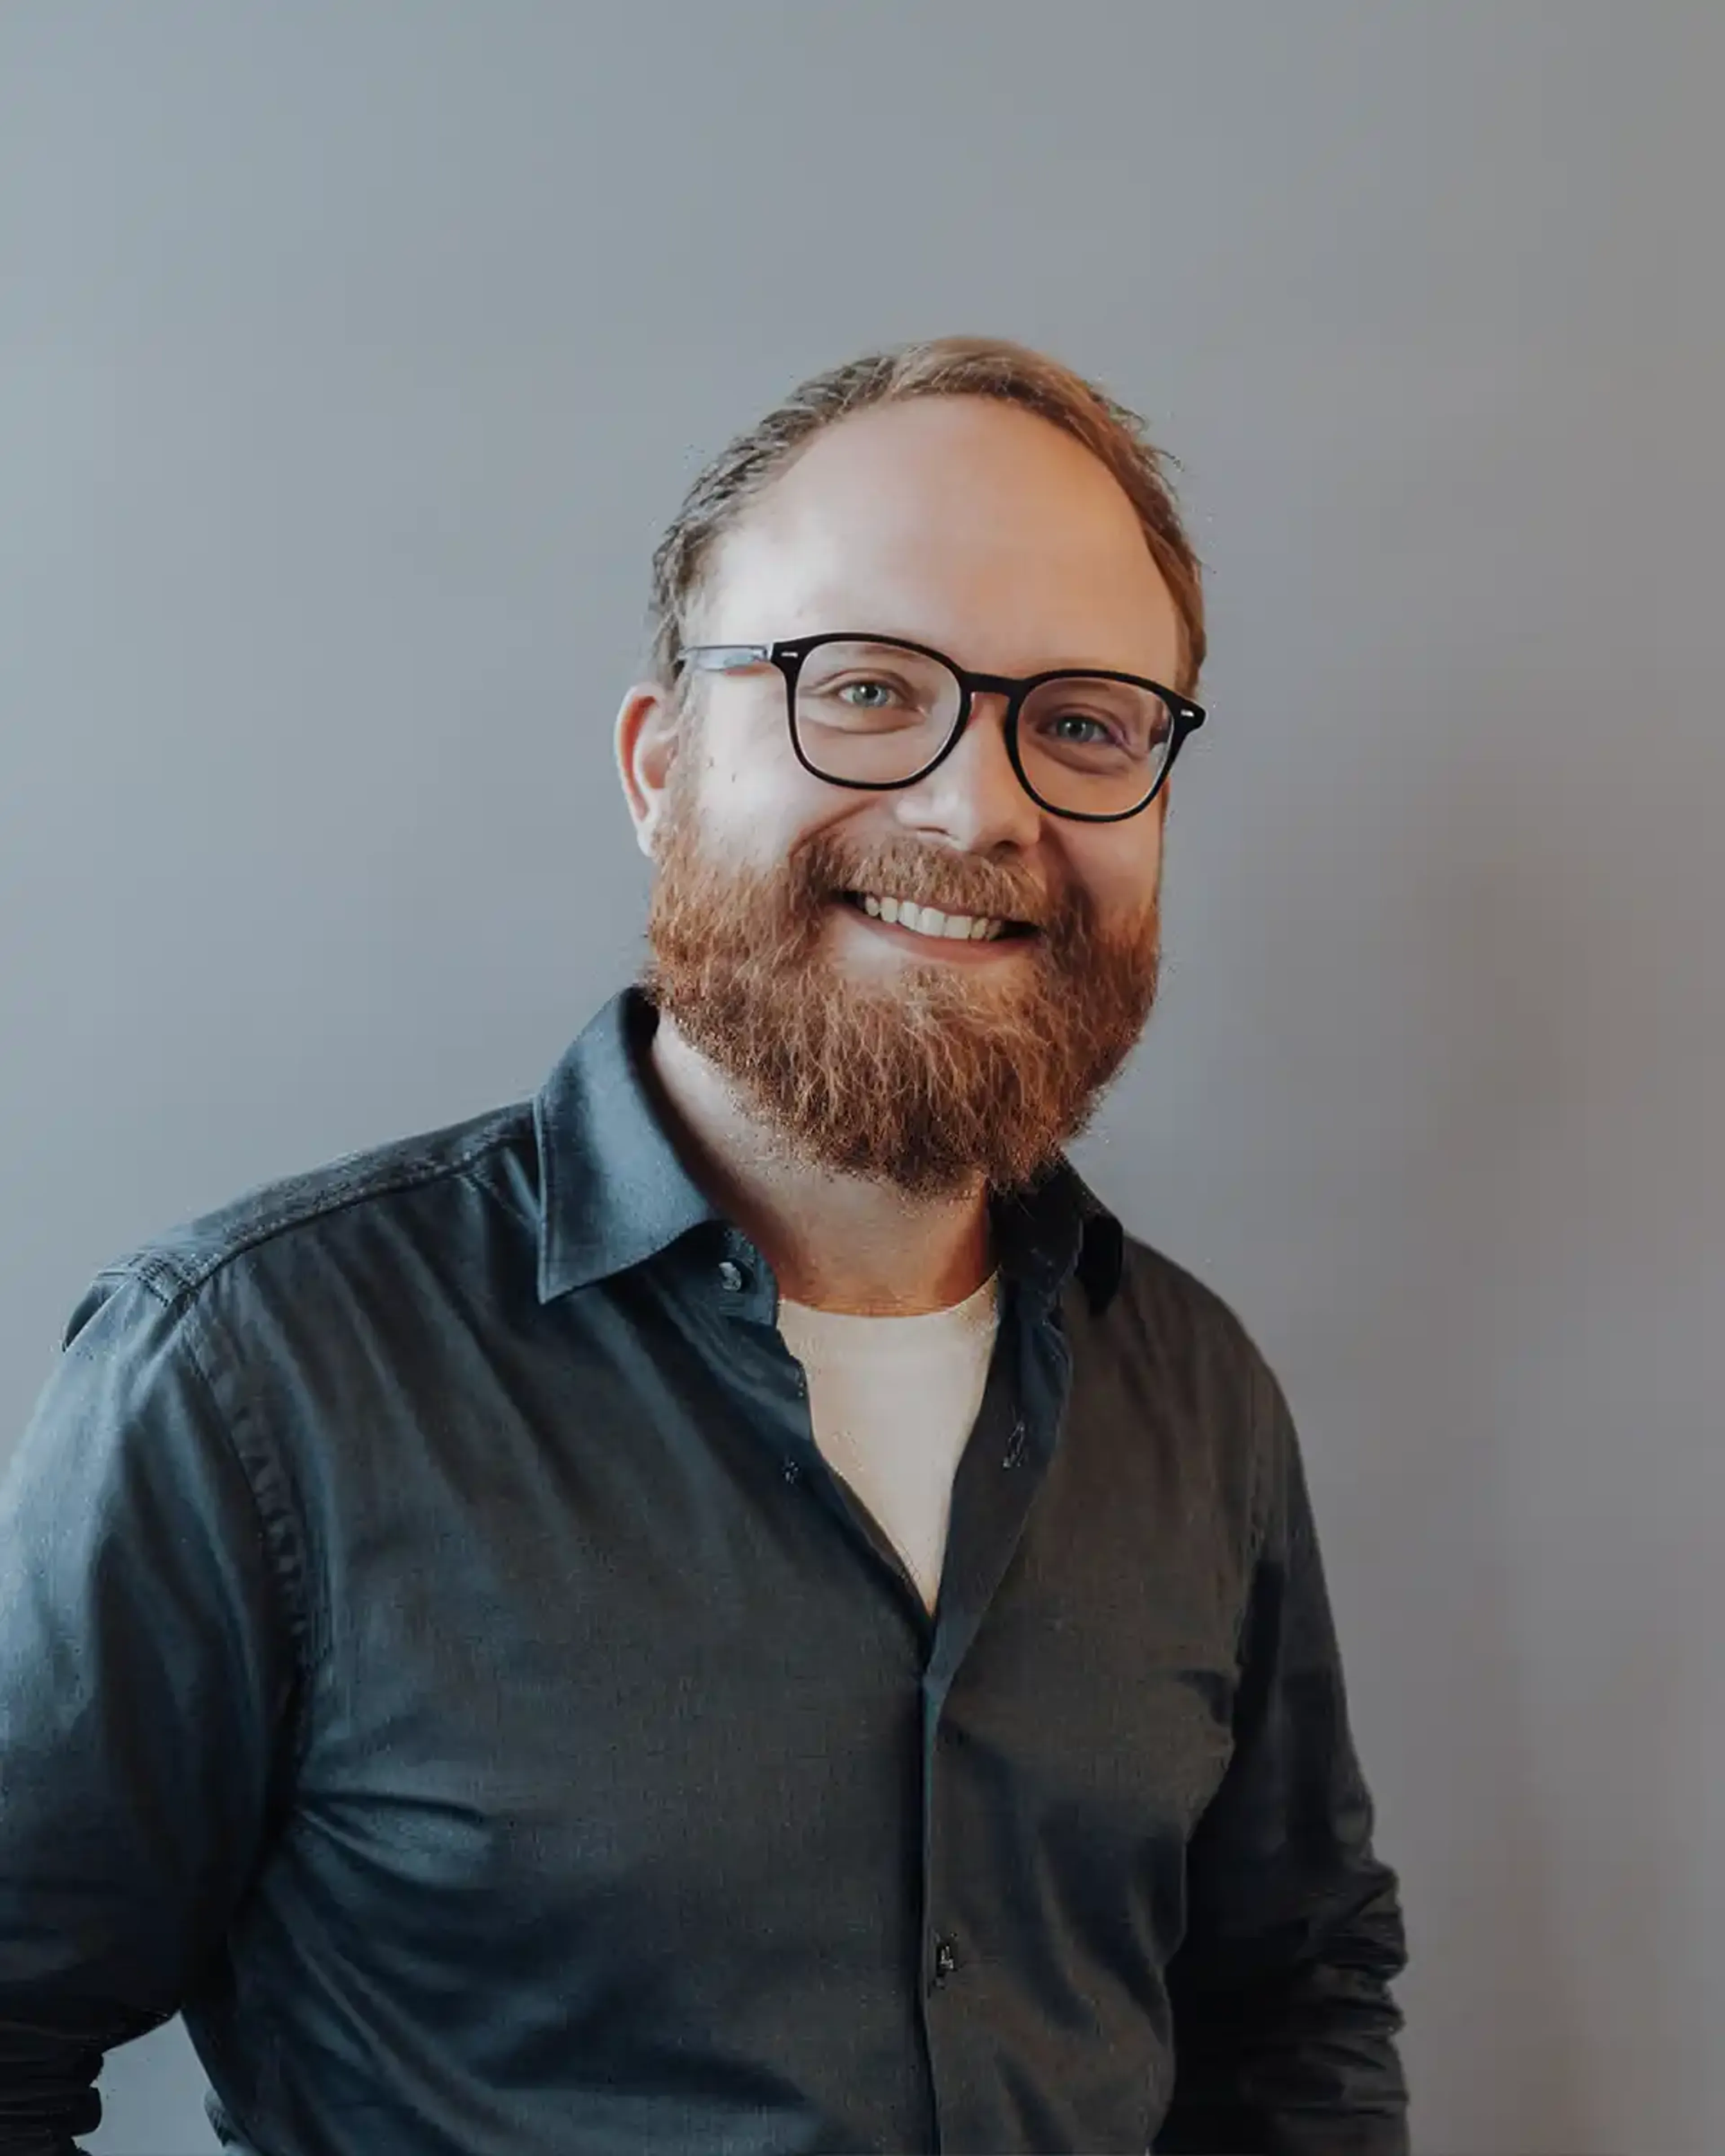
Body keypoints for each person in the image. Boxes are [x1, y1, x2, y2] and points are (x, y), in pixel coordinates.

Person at [0, 336, 1409, 2156]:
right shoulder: (254, 1374)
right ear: (661, 767)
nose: (982, 807)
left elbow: (1293, 2002)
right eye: (868, 687)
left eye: (1083, 722)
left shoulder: (1193, 1390)